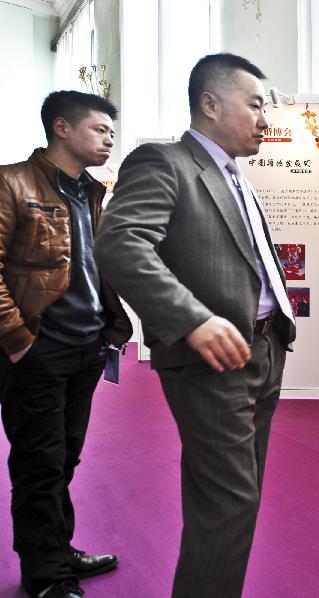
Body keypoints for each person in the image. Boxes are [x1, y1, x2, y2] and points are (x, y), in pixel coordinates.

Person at [93, 53, 296, 598]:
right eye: (254, 104)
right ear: (210, 103)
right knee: (227, 502)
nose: (265, 119)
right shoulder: (164, 162)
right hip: (211, 359)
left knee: (237, 498)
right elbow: (119, 242)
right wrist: (192, 320)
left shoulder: (236, 176)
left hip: (263, 350)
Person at [0, 91, 132, 598]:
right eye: (100, 129)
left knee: (66, 457)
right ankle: (47, 575)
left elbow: (96, 269)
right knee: (39, 462)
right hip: (37, 347)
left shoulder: (92, 193)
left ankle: (57, 547)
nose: (109, 138)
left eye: (110, 131)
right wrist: (17, 341)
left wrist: (109, 333)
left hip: (87, 346)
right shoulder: (12, 182)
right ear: (62, 127)